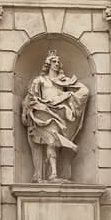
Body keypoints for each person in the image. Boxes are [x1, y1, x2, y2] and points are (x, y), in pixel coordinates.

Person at [21, 50, 90, 182]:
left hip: (61, 116)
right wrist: (26, 112)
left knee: (56, 143)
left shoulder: (64, 83)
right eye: (54, 61)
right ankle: (53, 173)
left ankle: (55, 172)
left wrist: (68, 87)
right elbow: (32, 97)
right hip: (46, 113)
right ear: (48, 64)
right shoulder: (40, 80)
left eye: (59, 62)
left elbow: (84, 92)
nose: (57, 64)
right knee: (51, 141)